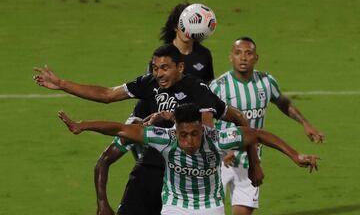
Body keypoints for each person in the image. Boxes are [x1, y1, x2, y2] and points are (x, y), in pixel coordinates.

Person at [33, 43, 255, 215]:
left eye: (165, 68)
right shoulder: (149, 84)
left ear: (180, 67)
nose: (158, 74)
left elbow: (214, 126)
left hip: (184, 178)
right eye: (155, 68)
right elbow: (108, 95)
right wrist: (62, 84)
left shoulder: (198, 90)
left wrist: (254, 163)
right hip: (151, 168)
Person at [57, 103, 319, 215]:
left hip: (210, 207)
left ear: (202, 128)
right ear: (177, 130)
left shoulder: (218, 138)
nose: (190, 141)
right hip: (175, 207)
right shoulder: (164, 138)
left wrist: (295, 155)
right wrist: (83, 125)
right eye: (184, 135)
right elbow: (120, 129)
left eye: (195, 134)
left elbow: (259, 135)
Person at [96, 1, 216, 215]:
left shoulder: (204, 56)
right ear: (175, 26)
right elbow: (146, 93)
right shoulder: (162, 58)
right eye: (184, 24)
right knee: (142, 156)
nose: (188, 30)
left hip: (183, 124)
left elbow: (208, 97)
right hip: (153, 121)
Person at [209, 37, 325, 215]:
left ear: (256, 58)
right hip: (220, 162)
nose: (243, 58)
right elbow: (207, 121)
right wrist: (224, 149)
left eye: (249, 53)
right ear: (230, 57)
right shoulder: (219, 87)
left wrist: (305, 123)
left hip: (251, 161)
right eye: (238, 53)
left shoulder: (266, 82)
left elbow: (283, 103)